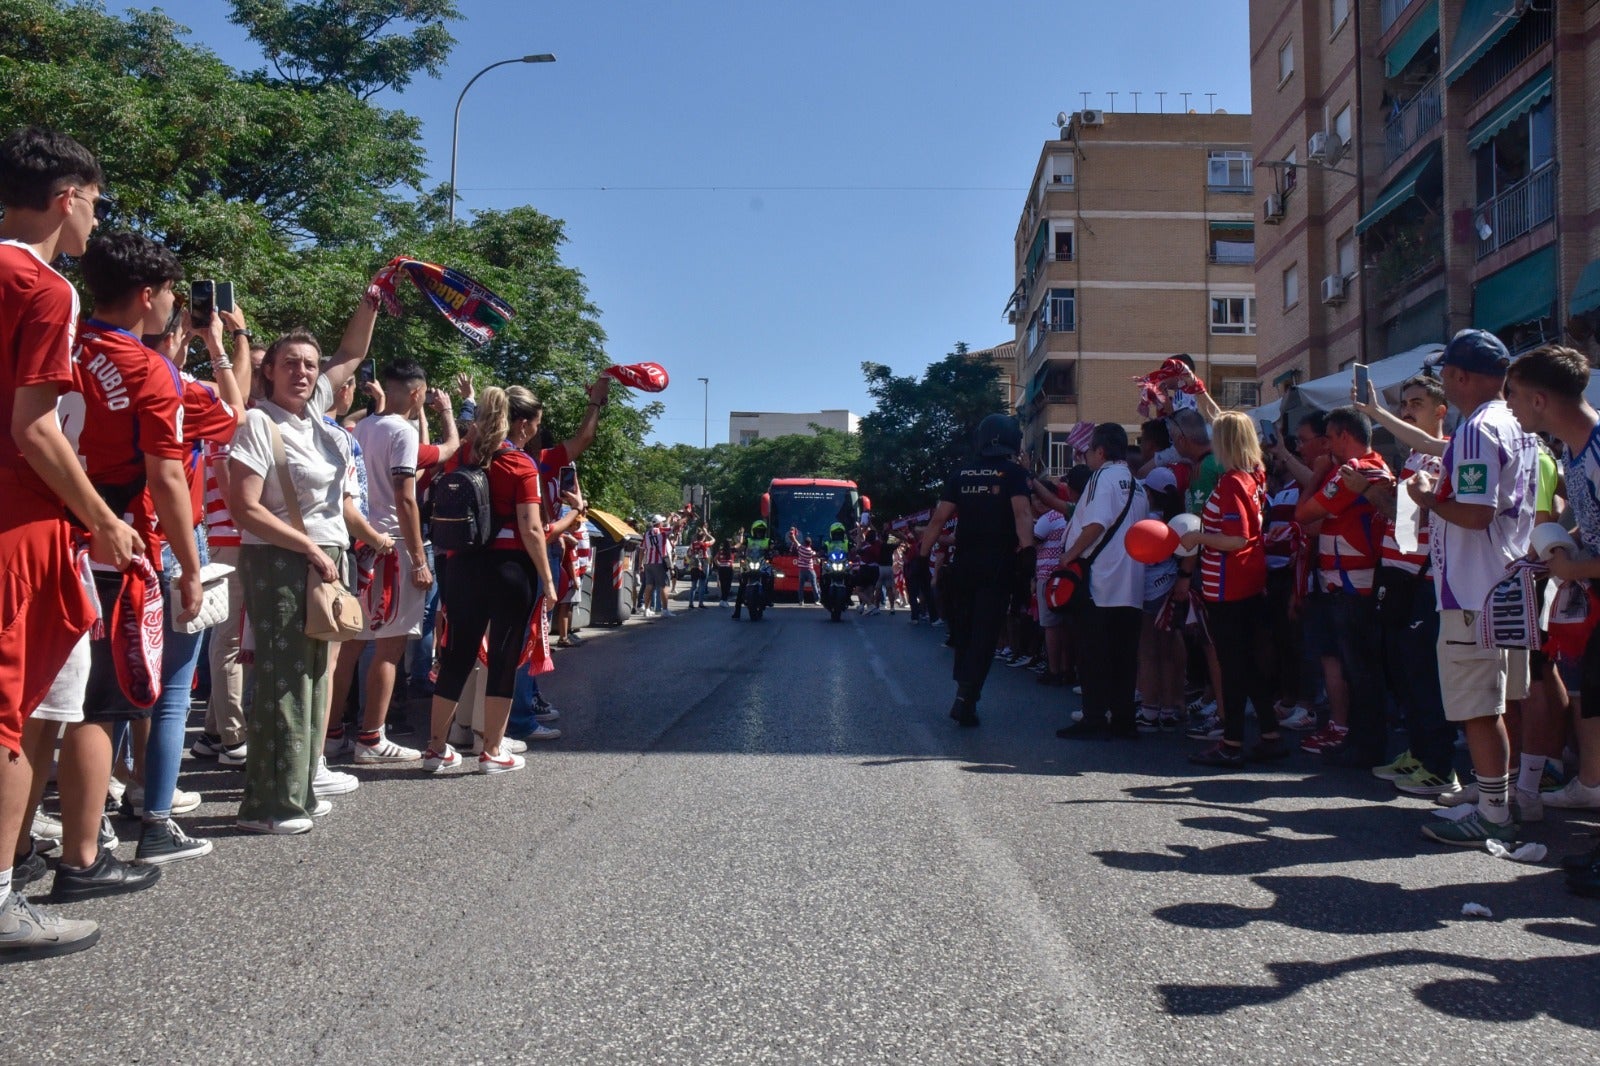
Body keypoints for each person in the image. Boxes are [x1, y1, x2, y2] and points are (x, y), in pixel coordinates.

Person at [0, 127, 138, 959]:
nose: (95, 218)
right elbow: (37, 429)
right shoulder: (44, 287)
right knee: (10, 717)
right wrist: (101, 518)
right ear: (66, 198)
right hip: (19, 526)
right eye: (95, 199)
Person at [226, 283, 381, 832]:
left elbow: (351, 355)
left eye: (310, 365)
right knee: (284, 682)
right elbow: (244, 508)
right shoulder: (257, 422)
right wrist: (311, 547)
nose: (303, 372)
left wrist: (370, 300)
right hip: (281, 559)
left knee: (316, 679)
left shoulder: (315, 418)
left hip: (324, 556)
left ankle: (300, 790)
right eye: (290, 363)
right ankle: (269, 806)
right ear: (268, 370)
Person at [1405, 330, 1539, 846]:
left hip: (1473, 588)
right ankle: (1501, 799)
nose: (1442, 381)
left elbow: (1477, 512)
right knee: (1496, 704)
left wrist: (1426, 497)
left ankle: (1493, 811)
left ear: (1460, 376)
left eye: (1444, 373)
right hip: (1503, 580)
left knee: (1480, 709)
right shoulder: (1513, 422)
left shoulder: (1478, 427)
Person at [1502, 347, 1600, 892]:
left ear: (1539, 398)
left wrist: (1575, 564)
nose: (1510, 406)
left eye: (1513, 395)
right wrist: (1564, 545)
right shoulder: (1574, 451)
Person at [424, 386, 557, 773]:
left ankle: (436, 748)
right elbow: (531, 529)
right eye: (534, 423)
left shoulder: (462, 457)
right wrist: (547, 582)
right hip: (510, 569)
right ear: (522, 422)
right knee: (502, 658)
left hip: (463, 565)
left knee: (457, 656)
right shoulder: (520, 465)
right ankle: (493, 750)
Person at [1351, 374, 1458, 796]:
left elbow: (1423, 514)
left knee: (1423, 676)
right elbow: (1400, 516)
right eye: (1404, 404)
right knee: (1403, 672)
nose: (1407, 410)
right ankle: (1418, 751)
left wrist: (1370, 492)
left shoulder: (1441, 456)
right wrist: (1376, 494)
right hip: (1398, 576)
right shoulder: (1413, 457)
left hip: (1423, 580)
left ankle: (1439, 765)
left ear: (1440, 411)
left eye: (1416, 403)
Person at [1176, 413, 1283, 767]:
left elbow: (1235, 539)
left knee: (1233, 666)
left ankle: (1232, 742)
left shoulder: (1233, 482)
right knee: (1249, 664)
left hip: (1227, 583)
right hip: (1247, 580)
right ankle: (1268, 734)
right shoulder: (1254, 475)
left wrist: (1197, 537)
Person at [344, 360, 435, 765]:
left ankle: (333, 733)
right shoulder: (403, 430)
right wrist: (418, 558)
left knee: (352, 641)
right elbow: (406, 495)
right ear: (416, 393)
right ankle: (370, 736)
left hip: (361, 539)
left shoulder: (364, 426)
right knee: (390, 645)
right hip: (393, 544)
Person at [1293, 407, 1394, 769]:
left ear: (1344, 436)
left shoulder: (1356, 470)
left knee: (1361, 670)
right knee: (1357, 668)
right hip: (1348, 581)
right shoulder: (1368, 467)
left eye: (1331, 437)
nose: (1327, 445)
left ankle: (1366, 746)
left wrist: (1318, 475)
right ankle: (1362, 742)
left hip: (1354, 584)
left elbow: (1303, 514)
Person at [919, 413, 1035, 727]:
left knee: (965, 631)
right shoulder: (1013, 474)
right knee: (985, 632)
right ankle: (967, 698)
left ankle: (963, 691)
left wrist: (922, 554)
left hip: (964, 564)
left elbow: (937, 520)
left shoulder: (961, 474)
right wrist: (1028, 553)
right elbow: (1023, 514)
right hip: (998, 565)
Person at [1052, 424, 1150, 741]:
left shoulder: (1101, 478)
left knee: (1093, 654)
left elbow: (1095, 524)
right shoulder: (1138, 486)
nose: (1087, 457)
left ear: (1101, 452)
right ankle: (1123, 718)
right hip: (1132, 583)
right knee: (1124, 656)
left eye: (1090, 451)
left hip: (1101, 583)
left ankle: (1094, 716)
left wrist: (1070, 556)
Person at [731, 519, 776, 620]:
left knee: (771, 576)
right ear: (753, 531)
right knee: (742, 584)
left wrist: (773, 551)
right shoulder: (748, 540)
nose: (759, 533)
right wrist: (734, 549)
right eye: (758, 531)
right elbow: (741, 546)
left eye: (761, 531)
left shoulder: (768, 540)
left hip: (762, 563)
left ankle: (769, 598)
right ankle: (737, 611)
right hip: (750, 562)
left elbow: (773, 548)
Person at [789, 527, 818, 605]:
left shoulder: (800, 548)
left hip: (802, 570)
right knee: (814, 585)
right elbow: (816, 556)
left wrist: (792, 533)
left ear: (804, 543)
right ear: (810, 544)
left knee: (800, 586)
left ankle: (801, 601)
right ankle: (817, 600)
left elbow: (794, 540)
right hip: (810, 570)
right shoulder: (811, 552)